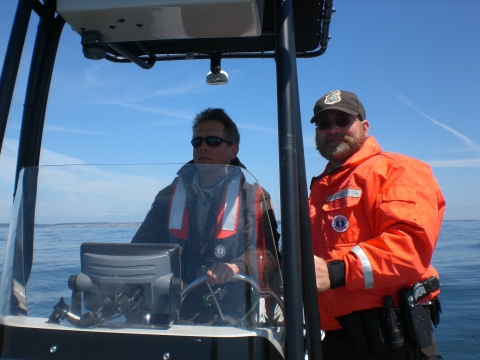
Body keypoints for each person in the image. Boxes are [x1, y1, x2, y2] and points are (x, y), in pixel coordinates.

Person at [308, 90, 445, 359]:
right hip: (338, 339)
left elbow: (409, 248)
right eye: (324, 124)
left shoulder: (397, 170)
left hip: (391, 342)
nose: (333, 129)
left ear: (364, 126)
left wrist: (337, 272)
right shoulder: (320, 188)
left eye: (343, 120)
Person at [132, 108, 281, 324]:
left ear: (233, 150)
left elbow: (267, 255)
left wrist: (236, 266)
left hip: (230, 313)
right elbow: (139, 247)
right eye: (197, 142)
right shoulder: (167, 195)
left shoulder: (252, 197)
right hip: (172, 311)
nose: (203, 146)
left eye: (213, 141)